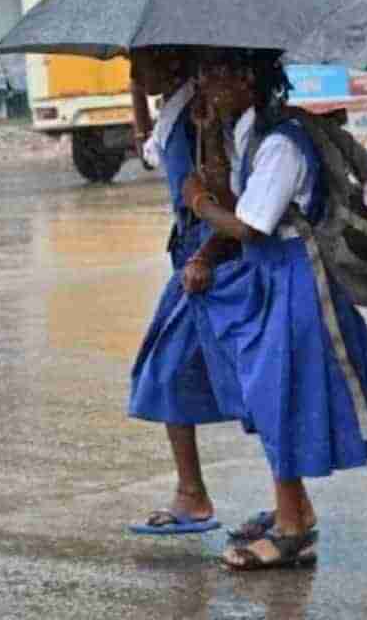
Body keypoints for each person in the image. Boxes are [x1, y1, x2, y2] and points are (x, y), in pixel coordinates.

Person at [182, 48, 367, 570]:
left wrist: (197, 203)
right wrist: (208, 135)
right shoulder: (247, 133)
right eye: (204, 72)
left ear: (249, 79)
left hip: (301, 278)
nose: (206, 82)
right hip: (271, 274)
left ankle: (294, 528)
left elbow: (250, 223)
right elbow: (234, 200)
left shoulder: (282, 143)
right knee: (309, 400)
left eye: (217, 73)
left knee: (281, 397)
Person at [126, 47, 245, 535]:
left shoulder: (203, 113)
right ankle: (192, 494)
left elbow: (233, 198)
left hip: (212, 263)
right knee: (173, 373)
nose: (134, 75)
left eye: (141, 64)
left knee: (269, 387)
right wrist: (138, 115)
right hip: (192, 259)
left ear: (174, 60)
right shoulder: (174, 107)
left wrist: (204, 257)